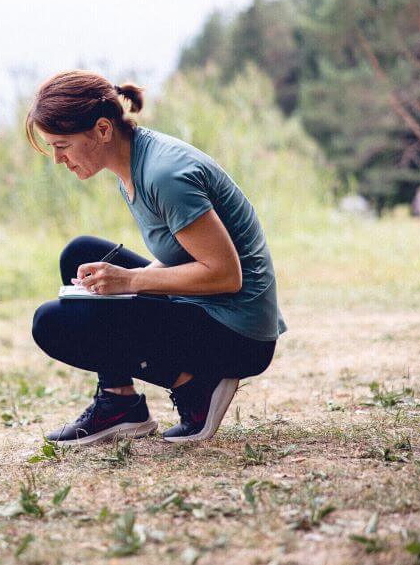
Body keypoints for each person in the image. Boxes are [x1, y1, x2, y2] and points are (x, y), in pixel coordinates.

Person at [26, 70, 287, 446]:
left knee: (50, 322)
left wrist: (130, 282)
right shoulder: (130, 163)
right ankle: (120, 404)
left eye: (62, 145)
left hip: (238, 333)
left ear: (102, 130)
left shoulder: (164, 174)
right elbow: (183, 253)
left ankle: (196, 387)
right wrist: (118, 283)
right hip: (206, 306)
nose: (57, 159)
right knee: (81, 257)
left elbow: (226, 275)